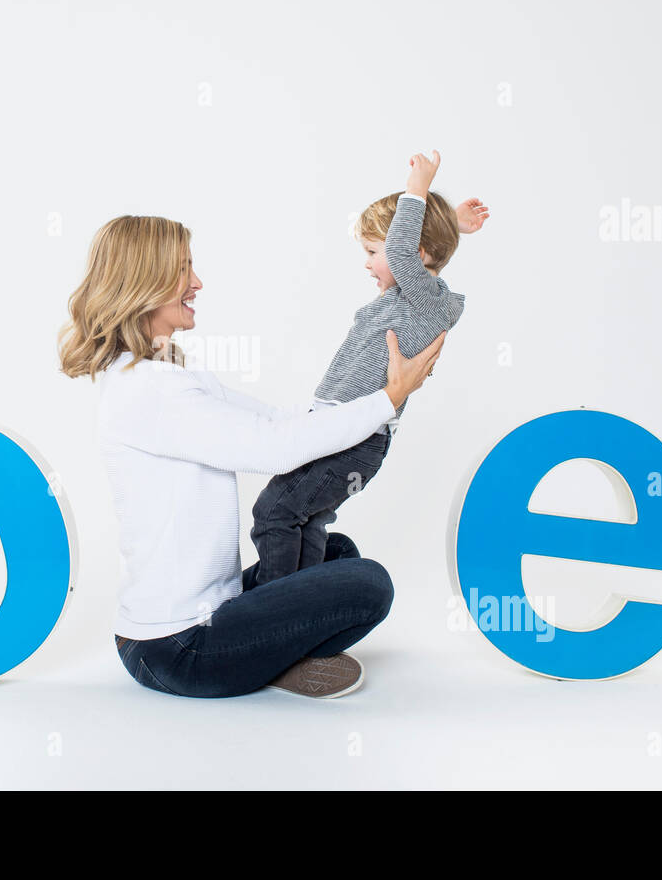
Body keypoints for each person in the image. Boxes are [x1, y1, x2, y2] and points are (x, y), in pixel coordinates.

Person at [57, 212, 445, 698]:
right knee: (369, 583)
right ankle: (278, 658)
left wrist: (375, 397)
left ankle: (273, 654)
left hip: (210, 613)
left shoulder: (169, 373)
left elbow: (277, 421)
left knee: (336, 551)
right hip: (177, 647)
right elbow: (275, 450)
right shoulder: (148, 389)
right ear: (145, 282)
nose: (196, 282)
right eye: (183, 270)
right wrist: (387, 398)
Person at [250, 151, 489, 584]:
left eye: (372, 251)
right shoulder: (416, 296)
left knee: (274, 512)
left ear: (409, 254)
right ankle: (299, 616)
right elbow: (414, 249)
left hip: (355, 436)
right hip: (338, 426)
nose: (367, 262)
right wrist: (448, 225)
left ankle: (273, 612)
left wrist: (418, 186)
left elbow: (404, 251)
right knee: (302, 519)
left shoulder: (427, 301)